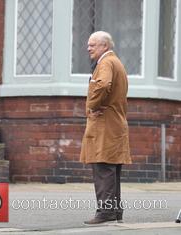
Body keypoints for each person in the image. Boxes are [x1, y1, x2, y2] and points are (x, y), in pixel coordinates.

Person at [80, 31, 132, 224]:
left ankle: (105, 212)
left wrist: (92, 106)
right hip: (115, 124)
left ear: (104, 46)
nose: (88, 48)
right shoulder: (115, 62)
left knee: (103, 168)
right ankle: (115, 211)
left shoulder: (106, 63)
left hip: (105, 124)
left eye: (93, 45)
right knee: (111, 169)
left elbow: (102, 85)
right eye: (88, 44)